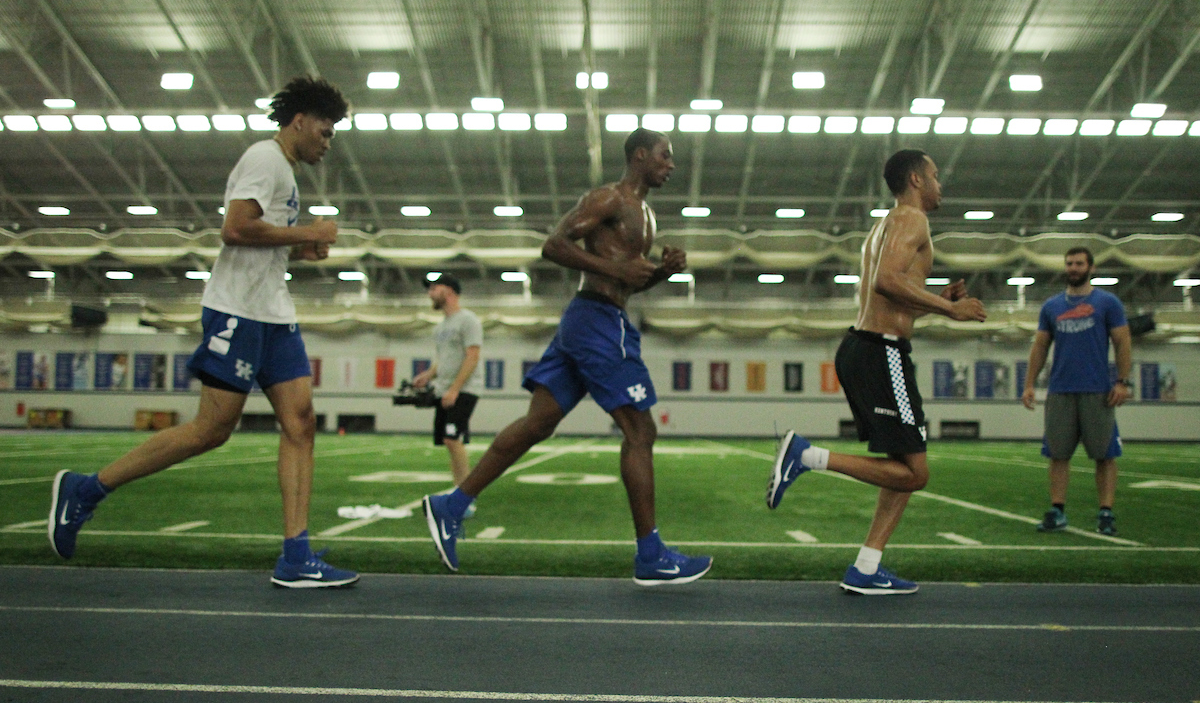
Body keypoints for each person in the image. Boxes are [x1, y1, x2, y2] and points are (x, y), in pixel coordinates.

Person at [49, 75, 359, 588]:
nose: (328, 143)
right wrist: (309, 231)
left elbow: (259, 241)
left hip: (273, 313)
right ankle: (86, 489)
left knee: (300, 422)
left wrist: (300, 250)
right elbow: (235, 228)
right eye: (324, 132)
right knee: (211, 430)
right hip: (237, 312)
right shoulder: (265, 158)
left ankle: (296, 554)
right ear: (299, 121)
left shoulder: (284, 170)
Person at [420, 128, 712, 586]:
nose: (671, 165)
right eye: (664, 156)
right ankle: (651, 556)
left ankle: (450, 505)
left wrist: (661, 273)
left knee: (538, 423)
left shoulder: (647, 216)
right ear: (640, 156)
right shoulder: (609, 199)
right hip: (597, 323)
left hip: (594, 319)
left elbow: (627, 282)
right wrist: (615, 268)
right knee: (640, 428)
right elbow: (554, 245)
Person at [766, 149, 987, 595]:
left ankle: (866, 567)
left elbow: (892, 300)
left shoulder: (883, 226)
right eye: (936, 175)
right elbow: (887, 281)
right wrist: (952, 308)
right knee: (917, 473)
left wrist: (938, 300)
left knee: (903, 465)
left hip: (866, 346)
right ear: (916, 180)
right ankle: (807, 456)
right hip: (880, 351)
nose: (941, 185)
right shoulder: (912, 220)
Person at [1022, 247, 1132, 536]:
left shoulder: (1107, 303)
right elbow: (1040, 346)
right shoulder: (1052, 307)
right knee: (1058, 454)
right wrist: (1029, 384)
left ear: (1091, 267)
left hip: (1098, 391)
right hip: (1060, 390)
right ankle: (1057, 510)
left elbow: (1122, 342)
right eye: (1069, 263)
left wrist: (1123, 381)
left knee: (1105, 455)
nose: (1073, 267)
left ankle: (1105, 513)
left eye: (1079, 263)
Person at [411, 274, 483, 486]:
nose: (430, 293)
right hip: (445, 390)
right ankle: (458, 489)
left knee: (453, 439)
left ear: (449, 291)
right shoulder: (440, 327)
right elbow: (442, 360)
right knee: (448, 440)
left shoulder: (467, 320)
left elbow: (472, 355)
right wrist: (428, 375)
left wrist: (454, 389)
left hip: (463, 390)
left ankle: (465, 495)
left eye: (434, 288)